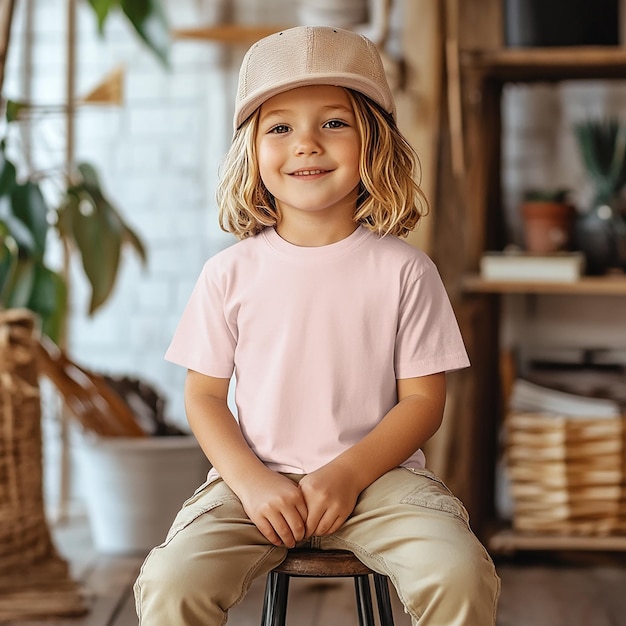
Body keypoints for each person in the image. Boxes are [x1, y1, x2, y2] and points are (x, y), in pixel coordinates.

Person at [134, 25, 500, 625]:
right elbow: (203, 397)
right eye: (280, 127)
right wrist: (252, 483)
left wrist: (346, 474)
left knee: (460, 571)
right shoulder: (228, 273)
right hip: (253, 485)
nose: (306, 143)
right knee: (171, 582)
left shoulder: (407, 270)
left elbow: (424, 403)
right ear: (251, 150)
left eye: (333, 122)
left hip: (378, 484)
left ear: (373, 144)